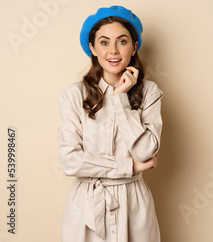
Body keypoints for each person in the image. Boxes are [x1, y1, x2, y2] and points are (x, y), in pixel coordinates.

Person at [58, 5, 162, 241]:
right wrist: (130, 166)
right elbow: (70, 161)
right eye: (104, 42)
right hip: (86, 205)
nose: (113, 51)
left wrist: (121, 98)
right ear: (92, 48)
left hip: (133, 202)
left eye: (122, 41)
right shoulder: (73, 96)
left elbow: (146, 151)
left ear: (134, 46)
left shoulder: (149, 92)